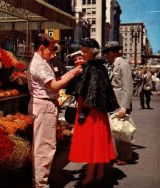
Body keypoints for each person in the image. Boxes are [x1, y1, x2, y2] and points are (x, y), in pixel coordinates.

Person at [27, 33, 83, 188]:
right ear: (41, 48)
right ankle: (40, 184)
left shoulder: (43, 62)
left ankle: (40, 181)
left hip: (46, 105)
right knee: (44, 148)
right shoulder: (39, 64)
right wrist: (73, 73)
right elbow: (54, 86)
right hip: (44, 105)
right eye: (50, 50)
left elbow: (55, 81)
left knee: (45, 146)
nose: (53, 53)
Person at [68, 38, 119, 187]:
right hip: (98, 111)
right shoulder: (99, 67)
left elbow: (83, 91)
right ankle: (99, 172)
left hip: (89, 111)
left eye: (84, 51)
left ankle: (90, 175)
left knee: (91, 143)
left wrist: (77, 73)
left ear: (92, 52)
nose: (81, 53)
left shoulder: (91, 67)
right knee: (99, 141)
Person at [102, 41, 134, 165]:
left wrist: (124, 107)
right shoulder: (113, 64)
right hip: (113, 103)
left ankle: (125, 157)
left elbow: (128, 87)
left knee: (122, 131)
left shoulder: (123, 64)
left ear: (111, 52)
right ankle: (117, 154)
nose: (105, 56)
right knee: (115, 130)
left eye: (106, 53)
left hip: (120, 103)